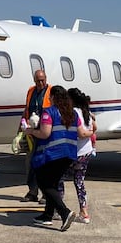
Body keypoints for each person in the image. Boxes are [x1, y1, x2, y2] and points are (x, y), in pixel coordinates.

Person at [23, 85, 80, 231]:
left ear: (54, 97)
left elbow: (45, 133)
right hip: (69, 154)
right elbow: (79, 131)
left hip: (53, 154)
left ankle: (64, 212)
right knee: (53, 184)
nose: (49, 99)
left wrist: (30, 130)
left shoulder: (49, 112)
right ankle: (47, 215)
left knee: (44, 184)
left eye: (50, 97)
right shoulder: (73, 113)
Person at [59, 87, 97, 223]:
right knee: (79, 182)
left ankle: (60, 209)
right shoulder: (86, 111)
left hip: (75, 152)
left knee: (59, 179)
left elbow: (80, 133)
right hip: (86, 152)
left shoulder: (74, 112)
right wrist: (91, 133)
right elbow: (94, 126)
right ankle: (84, 212)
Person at [20, 69, 51, 202]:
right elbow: (26, 109)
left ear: (46, 78)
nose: (40, 83)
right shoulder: (31, 91)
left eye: (42, 80)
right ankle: (32, 191)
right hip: (32, 133)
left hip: (45, 133)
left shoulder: (51, 91)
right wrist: (20, 129)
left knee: (44, 164)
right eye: (38, 80)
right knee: (30, 163)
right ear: (34, 80)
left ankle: (46, 193)